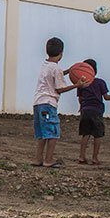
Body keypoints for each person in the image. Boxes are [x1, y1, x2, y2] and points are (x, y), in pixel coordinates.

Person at [32, 37, 77, 168]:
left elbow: (55, 75)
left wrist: (69, 71)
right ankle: (48, 160)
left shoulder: (44, 65)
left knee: (42, 133)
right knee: (53, 132)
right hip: (49, 104)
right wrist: (77, 85)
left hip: (38, 103)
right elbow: (59, 88)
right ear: (61, 53)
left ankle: (38, 159)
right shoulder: (56, 69)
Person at [76, 59, 110, 165]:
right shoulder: (100, 82)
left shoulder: (81, 84)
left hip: (85, 110)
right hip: (96, 111)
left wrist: (81, 107)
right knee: (97, 135)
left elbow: (80, 99)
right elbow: (106, 97)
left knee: (85, 134)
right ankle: (94, 158)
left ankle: (81, 156)